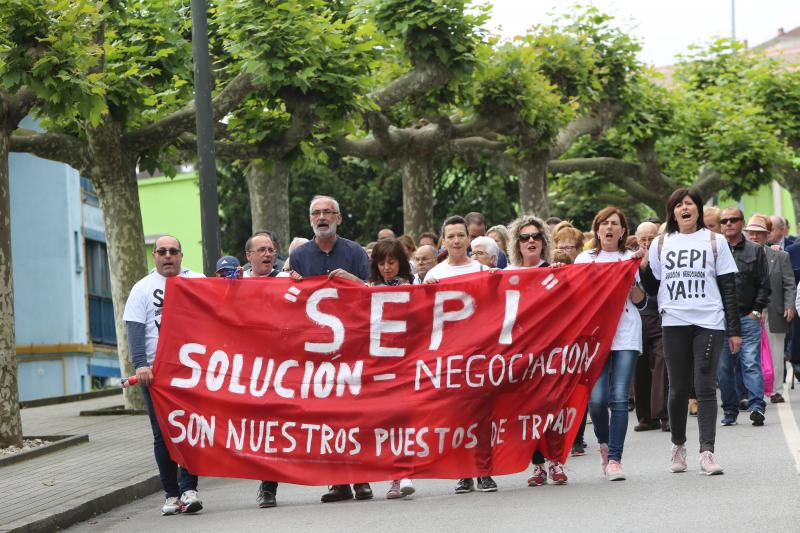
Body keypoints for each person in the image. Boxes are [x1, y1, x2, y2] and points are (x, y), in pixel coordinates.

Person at [640, 188, 740, 476]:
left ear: (697, 209)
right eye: (678, 205)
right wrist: (645, 267)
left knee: (706, 386)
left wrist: (734, 330)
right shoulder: (661, 243)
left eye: (689, 204)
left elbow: (728, 288)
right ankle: (678, 444)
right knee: (679, 387)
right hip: (673, 322)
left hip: (709, 321)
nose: (684, 208)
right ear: (672, 212)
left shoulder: (715, 241)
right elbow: (653, 289)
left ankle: (707, 452)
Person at [288, 195, 373, 502]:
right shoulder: (299, 257)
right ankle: (338, 481)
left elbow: (373, 296)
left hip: (353, 347)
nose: (321, 217)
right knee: (326, 417)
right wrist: (292, 286)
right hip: (316, 351)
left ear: (339, 218)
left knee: (355, 415)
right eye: (316, 213)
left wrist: (353, 280)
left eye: (327, 212)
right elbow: (292, 303)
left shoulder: (354, 253)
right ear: (310, 220)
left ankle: (362, 479)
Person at [122, 236, 204, 515]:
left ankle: (189, 489)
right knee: (163, 434)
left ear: (181, 255)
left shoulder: (198, 280)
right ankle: (171, 494)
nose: (167, 256)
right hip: (155, 376)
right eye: (161, 252)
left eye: (172, 251)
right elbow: (135, 328)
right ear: (154, 256)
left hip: (191, 371)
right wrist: (140, 364)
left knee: (189, 429)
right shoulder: (141, 289)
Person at [424, 215, 497, 494]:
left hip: (479, 355)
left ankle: (484, 472)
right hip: (448, 358)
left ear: (469, 238)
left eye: (460, 235)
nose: (456, 240)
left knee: (480, 417)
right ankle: (463, 473)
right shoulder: (435, 275)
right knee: (455, 417)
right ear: (443, 241)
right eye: (450, 236)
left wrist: (494, 283)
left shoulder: (483, 269)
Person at [575, 208, 645, 481]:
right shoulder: (584, 259)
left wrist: (631, 279)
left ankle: (615, 458)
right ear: (597, 229)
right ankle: (603, 444)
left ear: (622, 231)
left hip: (625, 332)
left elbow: (641, 301)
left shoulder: (630, 259)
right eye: (604, 223)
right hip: (595, 335)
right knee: (596, 399)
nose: (609, 228)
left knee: (618, 397)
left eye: (615, 224)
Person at [504, 215, 568, 486]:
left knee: (551, 407)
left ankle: (556, 463)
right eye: (524, 237)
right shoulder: (506, 275)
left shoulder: (555, 271)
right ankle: (539, 466)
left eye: (536, 237)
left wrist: (561, 276)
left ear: (544, 242)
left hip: (550, 352)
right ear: (516, 244)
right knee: (527, 412)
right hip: (519, 354)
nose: (531, 241)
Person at [366, 239, 416, 499]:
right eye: (381, 262)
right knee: (389, 422)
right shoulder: (367, 290)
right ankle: (396, 476)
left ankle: (403, 472)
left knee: (406, 420)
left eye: (392, 262)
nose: (387, 267)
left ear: (401, 262)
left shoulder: (415, 286)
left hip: (409, 363)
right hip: (381, 367)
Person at [717, 207, 770, 427]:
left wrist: (756, 311)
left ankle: (757, 406)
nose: (728, 223)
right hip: (720, 319)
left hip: (747, 316)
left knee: (750, 363)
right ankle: (730, 410)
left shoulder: (756, 251)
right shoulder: (714, 251)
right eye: (724, 220)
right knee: (723, 367)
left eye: (733, 220)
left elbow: (764, 284)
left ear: (742, 222)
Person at [744, 215, 795, 403]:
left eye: (759, 233)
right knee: (751, 355)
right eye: (752, 233)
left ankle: (776, 391)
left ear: (767, 235)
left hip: (774, 311)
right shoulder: (740, 256)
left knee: (775, 352)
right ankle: (753, 392)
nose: (755, 237)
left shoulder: (780, 256)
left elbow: (789, 284)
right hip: (748, 313)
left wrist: (790, 305)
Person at [632, 222, 669, 433]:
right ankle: (646, 417)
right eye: (642, 239)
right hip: (638, 318)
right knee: (640, 367)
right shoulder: (630, 258)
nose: (646, 243)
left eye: (651, 238)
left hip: (662, 315)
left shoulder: (666, 255)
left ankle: (663, 414)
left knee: (663, 362)